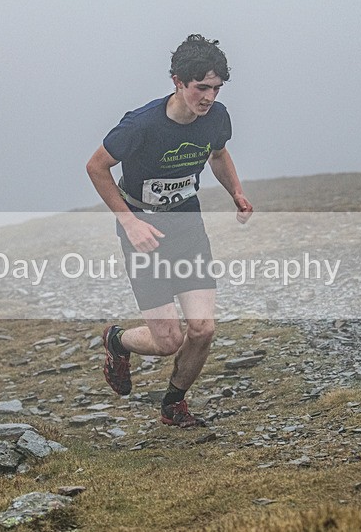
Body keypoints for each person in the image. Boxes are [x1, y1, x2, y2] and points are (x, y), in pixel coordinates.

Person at [86, 35, 253, 428]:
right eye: (201, 88)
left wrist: (236, 192)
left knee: (203, 329)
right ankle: (117, 340)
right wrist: (130, 222)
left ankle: (174, 405)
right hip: (143, 230)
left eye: (216, 88)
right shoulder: (141, 124)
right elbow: (96, 167)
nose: (209, 97)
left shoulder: (217, 117)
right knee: (167, 341)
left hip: (186, 225)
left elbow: (218, 153)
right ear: (178, 81)